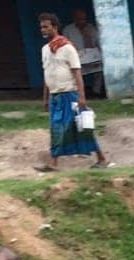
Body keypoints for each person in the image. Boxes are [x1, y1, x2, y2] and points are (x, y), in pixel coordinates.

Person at [38, 12, 106, 171]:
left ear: (55, 27)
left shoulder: (67, 48)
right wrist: (45, 98)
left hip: (69, 94)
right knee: (56, 128)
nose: (43, 30)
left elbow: (77, 72)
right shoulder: (45, 49)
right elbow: (47, 74)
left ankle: (101, 158)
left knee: (82, 127)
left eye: (46, 27)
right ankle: (53, 163)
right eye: (41, 27)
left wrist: (81, 97)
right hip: (55, 96)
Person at [63, 7, 104, 97]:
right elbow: (65, 44)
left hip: (92, 55)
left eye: (83, 19)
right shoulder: (68, 29)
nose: (82, 21)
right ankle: (80, 93)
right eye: (79, 19)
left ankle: (96, 92)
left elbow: (98, 42)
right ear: (74, 19)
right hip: (77, 56)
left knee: (99, 70)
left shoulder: (91, 28)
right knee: (76, 73)